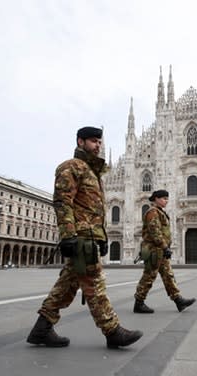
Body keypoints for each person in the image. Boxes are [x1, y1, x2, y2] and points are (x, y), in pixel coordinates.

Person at [27, 126, 142, 349]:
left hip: (90, 237)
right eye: (92, 141)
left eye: (99, 142)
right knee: (95, 284)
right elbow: (63, 202)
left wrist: (103, 237)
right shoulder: (72, 167)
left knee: (67, 286)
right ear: (80, 142)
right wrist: (68, 235)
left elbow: (95, 211)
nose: (97, 145)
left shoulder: (94, 173)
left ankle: (42, 328)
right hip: (80, 239)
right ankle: (112, 330)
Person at [133, 189, 196, 313]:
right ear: (156, 199)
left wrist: (164, 247)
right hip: (154, 250)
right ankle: (139, 303)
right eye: (163, 199)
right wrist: (164, 246)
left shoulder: (160, 212)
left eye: (167, 199)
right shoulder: (153, 212)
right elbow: (155, 232)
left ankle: (178, 301)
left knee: (168, 276)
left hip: (160, 250)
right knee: (149, 276)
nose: (166, 201)